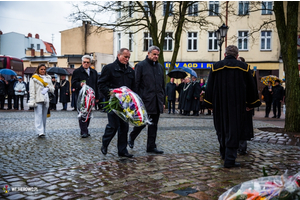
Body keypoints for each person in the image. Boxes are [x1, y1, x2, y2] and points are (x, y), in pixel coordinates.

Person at [204, 45, 261, 168]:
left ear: (225, 54)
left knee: (221, 128)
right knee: (234, 129)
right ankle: (229, 159)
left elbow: (210, 87)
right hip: (237, 104)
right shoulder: (245, 68)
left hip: (219, 104)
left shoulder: (215, 67)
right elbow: (251, 88)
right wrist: (251, 104)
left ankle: (224, 154)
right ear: (237, 56)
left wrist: (209, 104)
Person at [128, 46, 165, 154]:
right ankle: (132, 136)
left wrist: (163, 101)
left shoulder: (160, 67)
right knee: (142, 123)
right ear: (148, 53)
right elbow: (136, 84)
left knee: (153, 125)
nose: (156, 56)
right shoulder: (141, 66)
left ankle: (151, 146)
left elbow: (162, 85)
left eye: (157, 54)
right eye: (154, 54)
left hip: (157, 100)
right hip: (145, 100)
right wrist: (137, 100)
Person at [98, 48, 134, 158]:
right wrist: (110, 92)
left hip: (125, 103)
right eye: (125, 57)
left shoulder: (130, 71)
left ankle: (122, 150)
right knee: (113, 126)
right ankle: (105, 144)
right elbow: (101, 84)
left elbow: (133, 87)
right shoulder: (109, 68)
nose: (127, 59)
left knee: (124, 127)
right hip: (113, 103)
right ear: (119, 55)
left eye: (128, 57)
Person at [72, 55, 99, 138]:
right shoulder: (77, 71)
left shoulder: (94, 72)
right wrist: (79, 84)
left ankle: (85, 128)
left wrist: (97, 97)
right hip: (81, 96)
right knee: (82, 113)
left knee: (89, 113)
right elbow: (73, 83)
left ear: (90, 63)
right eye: (84, 62)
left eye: (88, 62)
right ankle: (84, 131)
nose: (86, 64)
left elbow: (96, 85)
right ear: (82, 62)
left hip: (91, 97)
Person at [237, 56, 258, 155]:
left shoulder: (249, 72)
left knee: (244, 126)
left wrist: (251, 103)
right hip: (235, 103)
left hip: (245, 103)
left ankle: (242, 147)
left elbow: (253, 89)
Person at [27, 63, 54, 137]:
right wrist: (32, 99)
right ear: (38, 69)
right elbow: (32, 89)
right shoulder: (34, 78)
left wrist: (48, 88)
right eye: (41, 69)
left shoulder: (48, 77)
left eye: (44, 69)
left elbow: (52, 88)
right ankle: (40, 131)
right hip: (38, 98)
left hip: (46, 98)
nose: (43, 70)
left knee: (44, 116)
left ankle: (43, 130)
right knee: (38, 116)